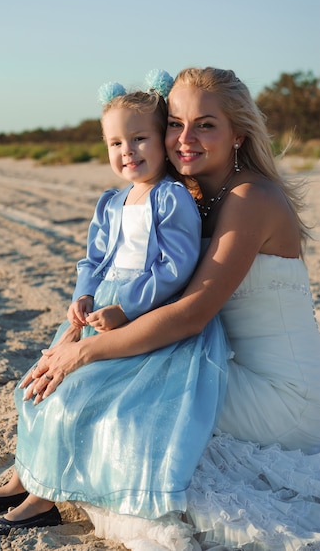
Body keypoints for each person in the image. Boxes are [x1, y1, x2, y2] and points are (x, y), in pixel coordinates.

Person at [22, 66, 320, 551]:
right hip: (220, 361)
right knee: (100, 374)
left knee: (113, 397)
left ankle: (37, 481)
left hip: (279, 392)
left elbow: (190, 313)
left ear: (238, 134)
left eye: (205, 124)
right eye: (175, 123)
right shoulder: (193, 194)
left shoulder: (251, 198)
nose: (185, 137)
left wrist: (85, 354)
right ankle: (31, 476)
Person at [0, 70, 230, 542]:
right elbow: (95, 258)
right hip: (98, 312)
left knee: (74, 395)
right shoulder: (112, 202)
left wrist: (127, 310)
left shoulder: (172, 200)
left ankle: (44, 500)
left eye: (139, 138)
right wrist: (81, 297)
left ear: (163, 140)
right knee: (38, 386)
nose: (126, 152)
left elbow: (175, 268)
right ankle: (24, 478)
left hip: (144, 320)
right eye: (114, 143)